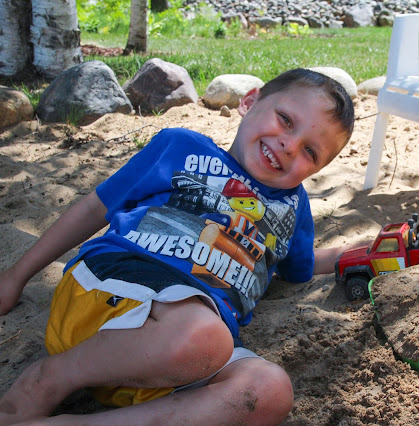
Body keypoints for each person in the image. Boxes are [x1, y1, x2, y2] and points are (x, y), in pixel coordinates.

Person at [0, 68, 354, 425]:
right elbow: (95, 208)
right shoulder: (182, 146)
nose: (290, 146)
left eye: (310, 151)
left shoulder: (294, 209)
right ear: (250, 101)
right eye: (286, 120)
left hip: (169, 364)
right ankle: (50, 378)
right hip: (114, 291)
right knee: (204, 337)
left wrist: (349, 254)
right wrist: (16, 277)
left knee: (269, 389)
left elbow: (298, 268)